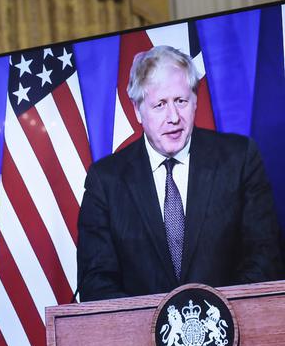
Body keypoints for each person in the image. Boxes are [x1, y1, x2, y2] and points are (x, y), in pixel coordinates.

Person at [76, 45, 283, 302]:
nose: (173, 117)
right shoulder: (105, 181)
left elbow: (265, 257)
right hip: (142, 338)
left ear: (195, 101)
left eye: (181, 101)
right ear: (138, 111)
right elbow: (96, 282)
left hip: (231, 331)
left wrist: (217, 321)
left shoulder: (239, 159)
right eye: (160, 104)